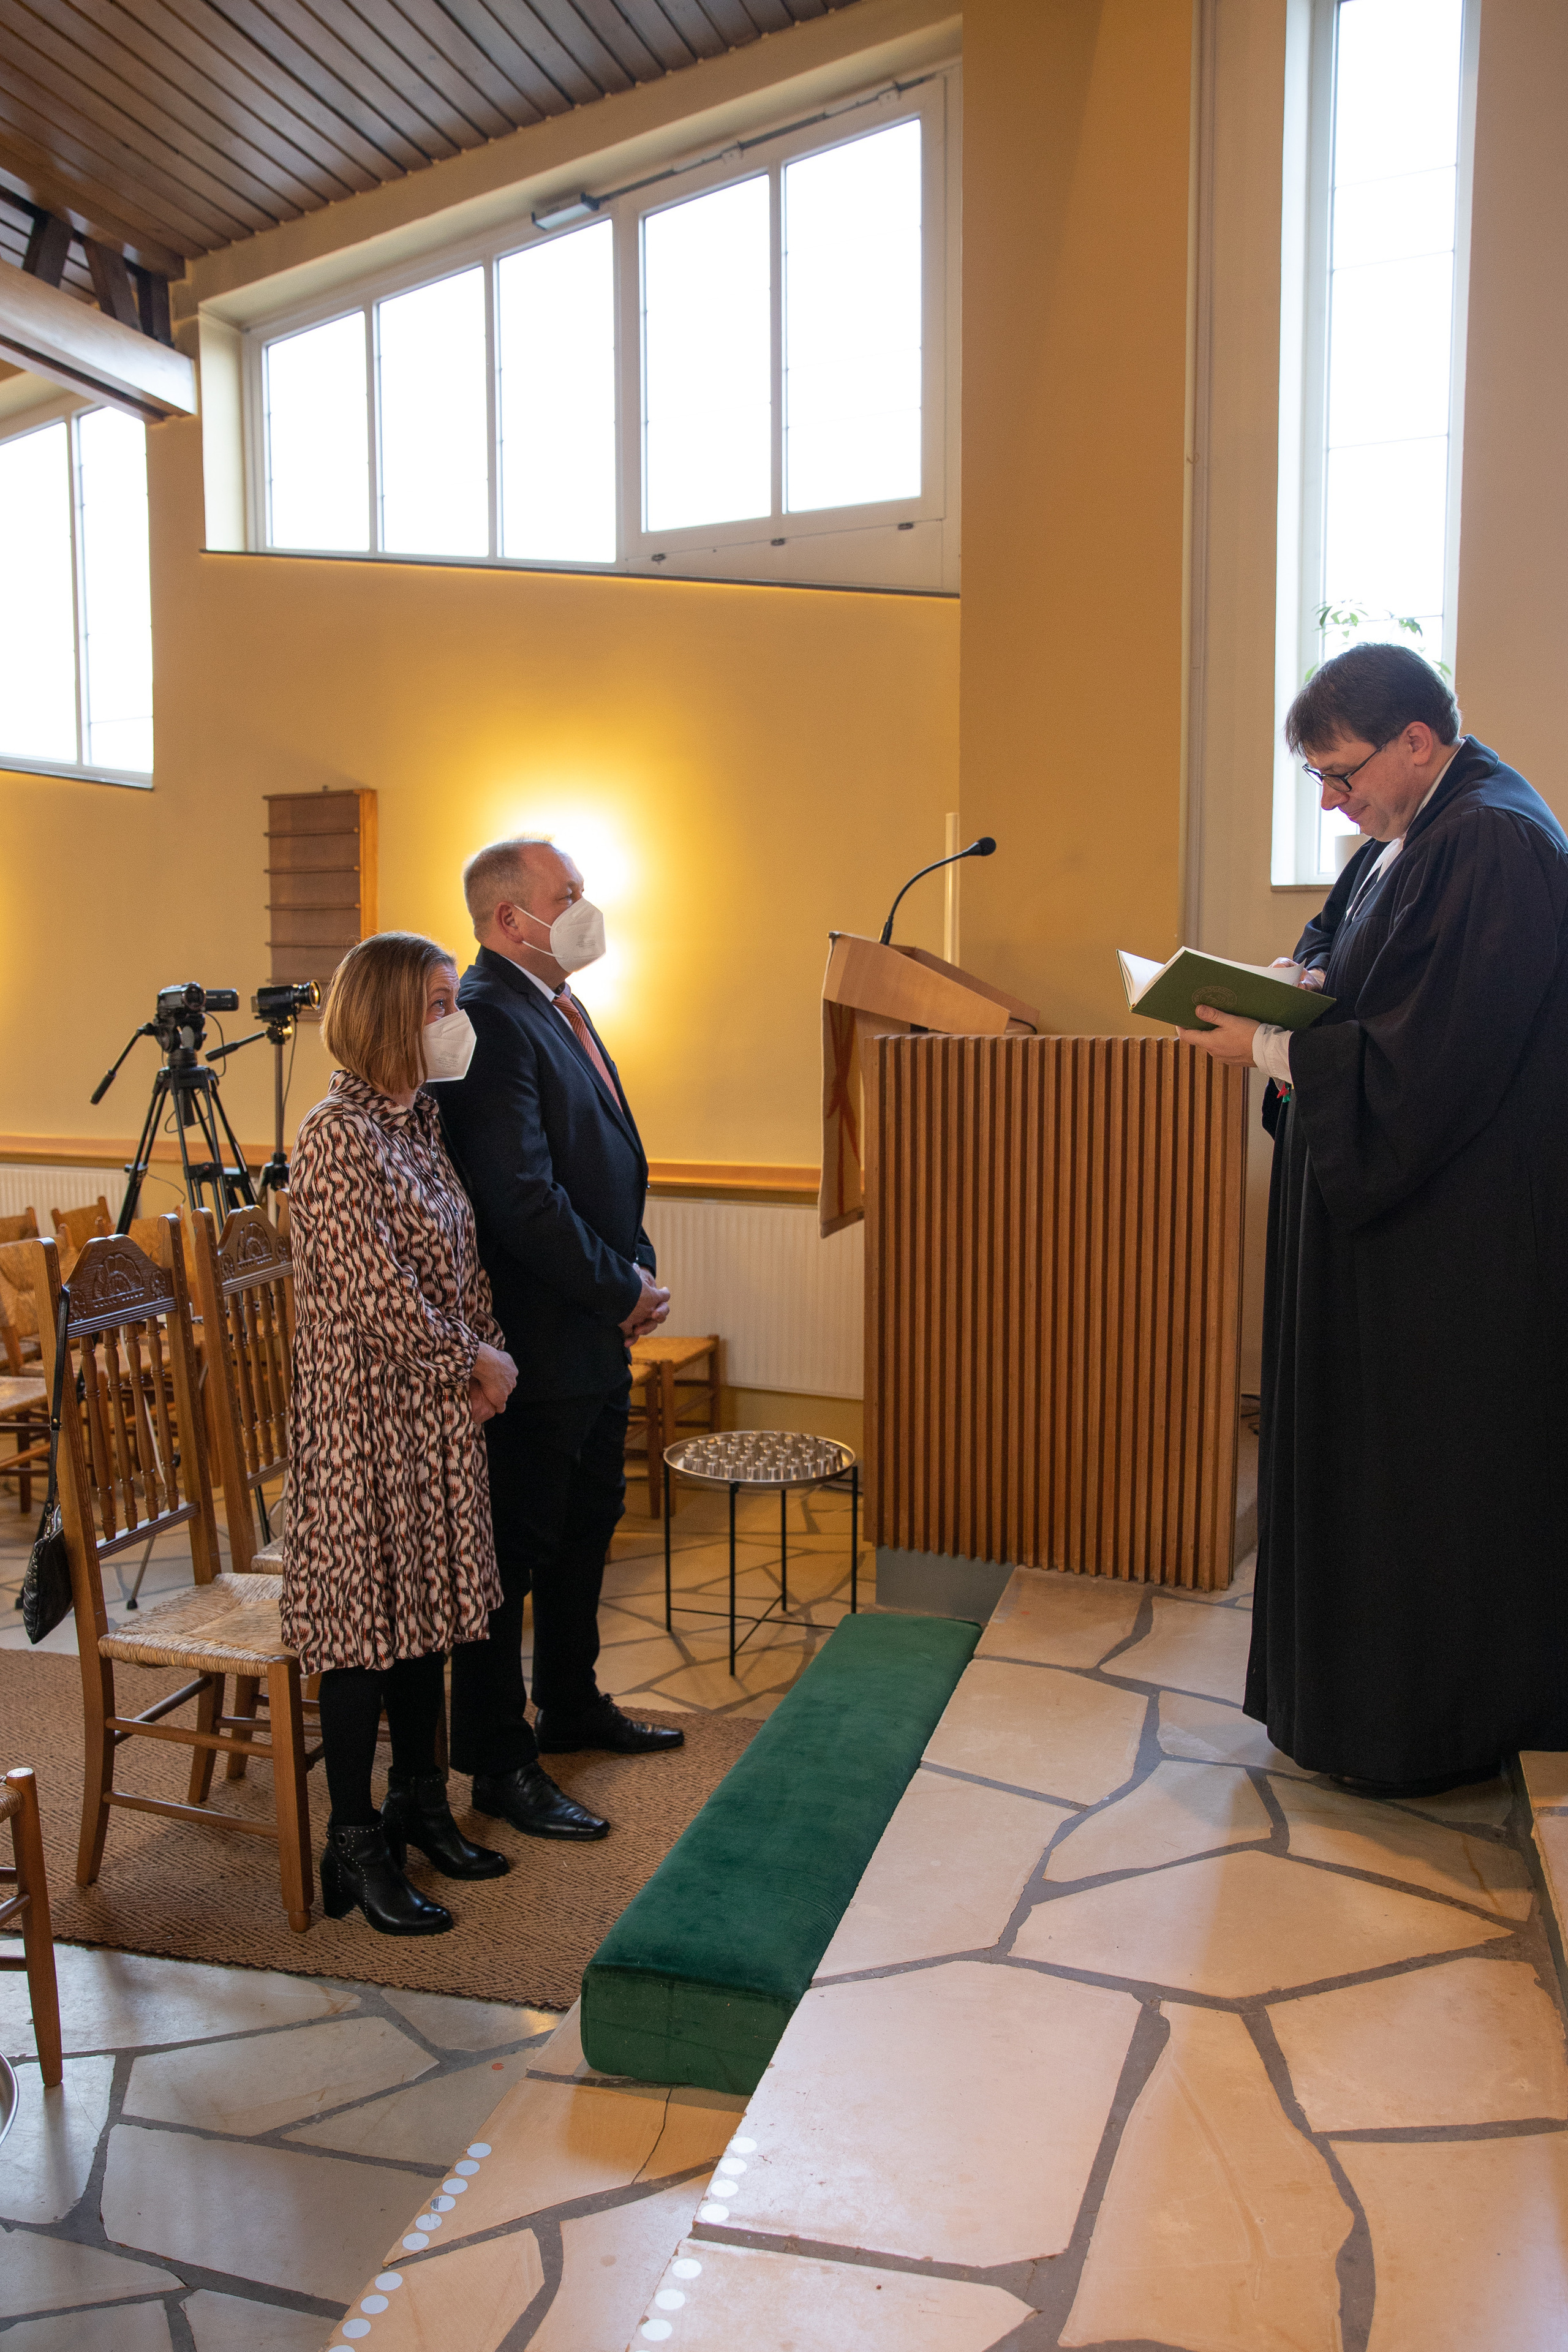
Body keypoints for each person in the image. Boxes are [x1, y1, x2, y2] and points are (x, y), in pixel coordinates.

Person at [1182, 641, 1568, 1795]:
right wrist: (1293, 984)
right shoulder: (1408, 839)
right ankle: (1344, 1708)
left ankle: (1418, 1730)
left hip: (1447, 1247)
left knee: (1423, 1484)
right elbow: (1345, 962)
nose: (1333, 800)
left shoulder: (1491, 839)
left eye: (1343, 773)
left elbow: (1430, 1064)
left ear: (1418, 738)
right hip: (1384, 1233)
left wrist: (1260, 1042)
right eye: (1319, 779)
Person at [435, 837, 678, 1846]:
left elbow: (606, 1159)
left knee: (587, 1526)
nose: (585, 910)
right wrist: (619, 1286)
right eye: (566, 896)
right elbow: (520, 1197)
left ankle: (569, 1701)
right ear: (508, 921)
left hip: (593, 1330)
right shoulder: (490, 1017)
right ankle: (499, 1760)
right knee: (516, 1556)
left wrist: (636, 1267)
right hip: (535, 1342)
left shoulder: (558, 1004)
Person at [284, 931, 519, 1933]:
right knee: (364, 1632)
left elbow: (460, 1267)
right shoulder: (335, 1134)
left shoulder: (417, 1119)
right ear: (385, 1015)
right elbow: (379, 1296)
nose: (451, 1018)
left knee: (430, 1614)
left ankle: (420, 1802)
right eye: (434, 1003)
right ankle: (354, 1841)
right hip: (363, 1423)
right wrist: (470, 1365)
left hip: (436, 1408)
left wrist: (488, 1360)